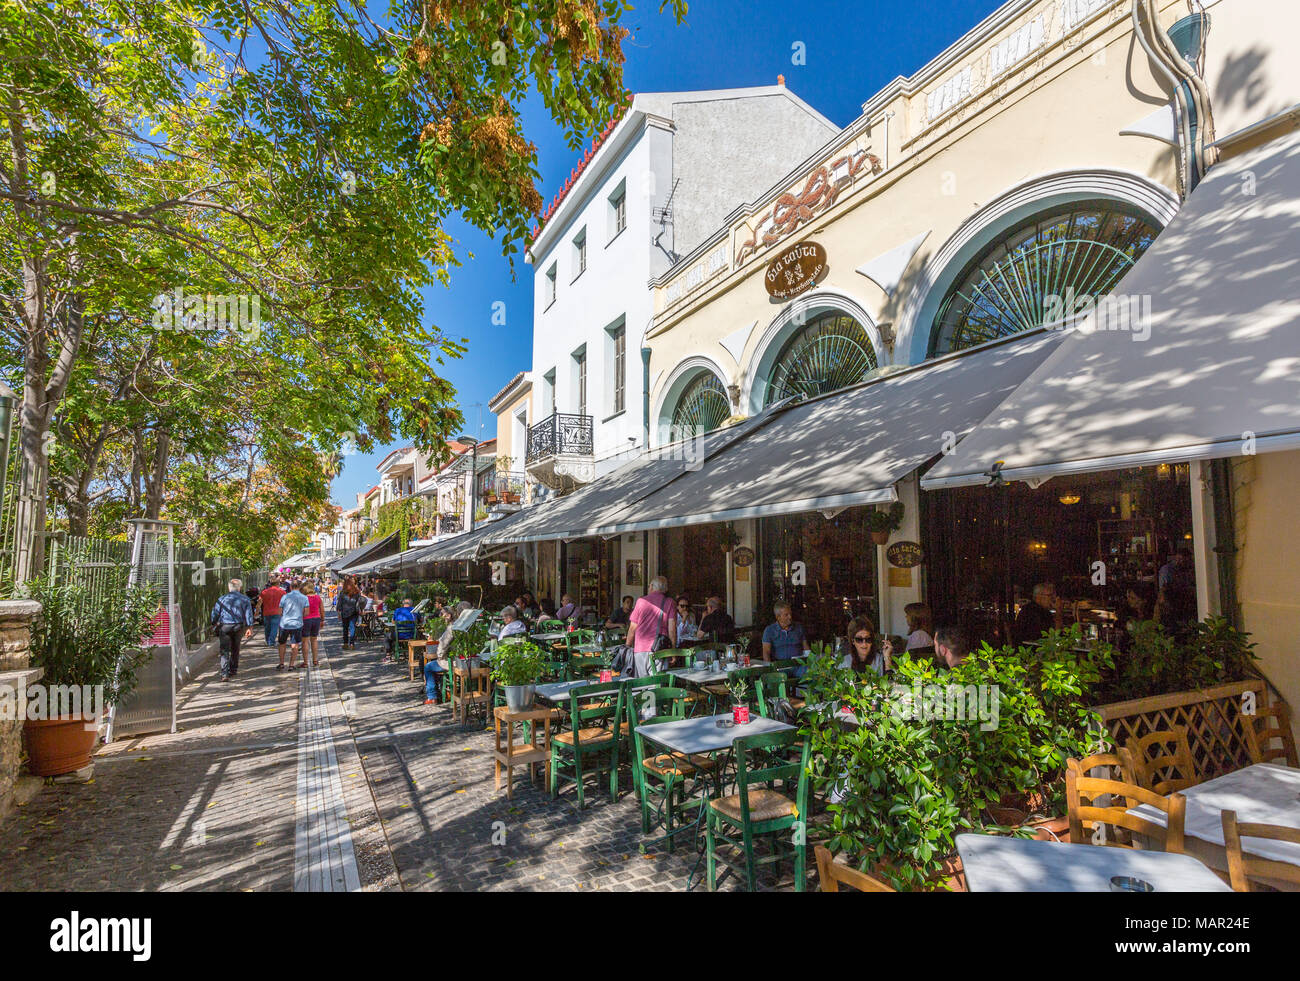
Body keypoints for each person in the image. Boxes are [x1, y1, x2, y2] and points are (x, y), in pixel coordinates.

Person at [627, 576, 676, 677]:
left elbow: (632, 629)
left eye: (649, 586)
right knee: (657, 687)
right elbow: (672, 631)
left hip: (640, 649)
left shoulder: (641, 601)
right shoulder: (670, 602)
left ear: (652, 586)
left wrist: (627, 647)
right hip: (659, 650)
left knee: (642, 686)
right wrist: (673, 651)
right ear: (665, 589)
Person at [425, 601, 470, 705]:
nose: (442, 617)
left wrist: (439, 656)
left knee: (428, 667)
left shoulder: (452, 627)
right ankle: (444, 691)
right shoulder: (468, 625)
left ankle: (432, 697)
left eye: (443, 615)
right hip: (467, 660)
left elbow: (442, 646)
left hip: (454, 662)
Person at [211, 578, 254, 681]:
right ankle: (233, 669)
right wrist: (249, 627)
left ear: (229, 587)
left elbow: (215, 613)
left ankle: (224, 673)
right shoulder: (245, 599)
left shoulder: (222, 599)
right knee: (235, 647)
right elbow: (248, 614)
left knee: (224, 649)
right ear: (240, 588)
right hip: (238, 626)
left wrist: (214, 623)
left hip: (225, 626)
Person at [762, 601, 811, 667]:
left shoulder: (799, 627)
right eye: (786, 615)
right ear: (778, 617)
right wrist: (770, 669)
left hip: (798, 665)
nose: (790, 617)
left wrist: (810, 663)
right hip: (779, 666)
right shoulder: (769, 630)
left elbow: (806, 648)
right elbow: (766, 652)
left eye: (790, 614)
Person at [277, 581, 310, 670]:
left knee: (282, 643)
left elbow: (279, 612)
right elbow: (307, 613)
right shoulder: (304, 598)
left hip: (284, 623)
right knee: (295, 644)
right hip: (297, 624)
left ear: (291, 587)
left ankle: (281, 663)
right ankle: (291, 665)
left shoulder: (285, 597)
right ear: (300, 587)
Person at [301, 582, 324, 668]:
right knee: (314, 640)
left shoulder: (304, 598)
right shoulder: (318, 597)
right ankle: (315, 660)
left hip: (306, 620)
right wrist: (322, 620)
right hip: (316, 619)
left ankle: (306, 662)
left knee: (305, 641)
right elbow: (322, 610)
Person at [260, 579, 286, 647]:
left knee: (267, 627)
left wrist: (257, 612)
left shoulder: (264, 592)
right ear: (278, 584)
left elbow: (259, 602)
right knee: (274, 627)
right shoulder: (282, 592)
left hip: (266, 612)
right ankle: (271, 642)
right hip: (277, 612)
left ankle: (267, 640)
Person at [337, 581, 362, 650]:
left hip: (344, 613)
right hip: (354, 613)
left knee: (345, 628)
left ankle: (345, 644)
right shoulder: (356, 593)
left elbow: (339, 604)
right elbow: (359, 603)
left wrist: (339, 613)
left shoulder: (342, 593)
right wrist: (360, 610)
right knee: (352, 628)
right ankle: (352, 644)